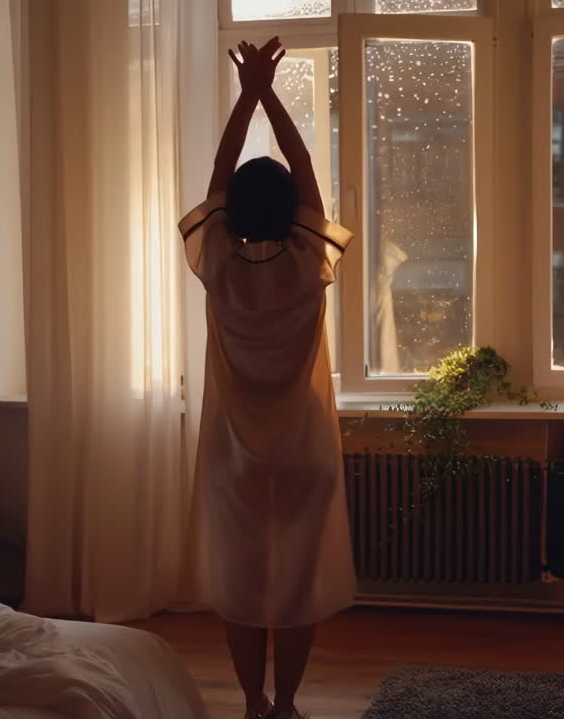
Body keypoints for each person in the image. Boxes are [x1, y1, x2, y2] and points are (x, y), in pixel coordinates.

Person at [177, 37, 357, 719]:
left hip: (234, 458)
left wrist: (247, 92)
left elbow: (221, 171)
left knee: (244, 586)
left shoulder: (216, 261)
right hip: (305, 450)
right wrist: (269, 92)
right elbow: (304, 165)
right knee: (299, 585)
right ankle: (285, 706)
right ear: (289, 212)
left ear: (231, 213)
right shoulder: (311, 260)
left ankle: (252, 703)